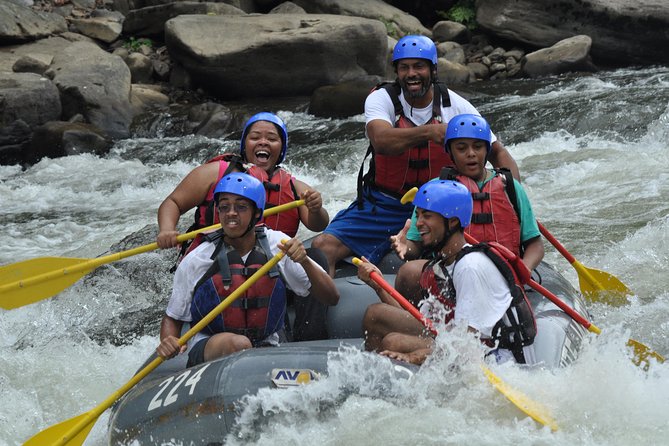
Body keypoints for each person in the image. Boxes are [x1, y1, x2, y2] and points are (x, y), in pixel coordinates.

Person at [312, 35, 519, 276]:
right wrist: (431, 132)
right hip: (383, 204)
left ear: (432, 70)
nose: (412, 73)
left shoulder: (456, 106)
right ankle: (318, 311)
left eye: (419, 66)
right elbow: (381, 140)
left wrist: (512, 198)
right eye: (404, 67)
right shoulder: (382, 99)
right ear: (397, 72)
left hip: (439, 209)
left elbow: (497, 151)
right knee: (322, 247)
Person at [156, 173, 339, 366]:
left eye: (241, 207)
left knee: (247, 346)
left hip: (267, 343)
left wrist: (305, 262)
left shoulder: (277, 244)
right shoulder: (198, 258)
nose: (231, 213)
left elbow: (331, 297)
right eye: (224, 207)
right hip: (211, 345)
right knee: (239, 344)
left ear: (257, 214)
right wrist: (168, 340)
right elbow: (172, 318)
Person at [356, 179, 536, 366]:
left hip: (502, 358)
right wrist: (379, 287)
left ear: (452, 222)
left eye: (427, 216)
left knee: (393, 342)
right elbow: (426, 323)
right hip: (467, 344)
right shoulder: (444, 264)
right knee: (376, 315)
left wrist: (415, 356)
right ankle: (376, 383)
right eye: (418, 215)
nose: (419, 223)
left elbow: (466, 347)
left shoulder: (470, 267)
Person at [392, 114, 544, 303]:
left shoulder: (510, 187)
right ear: (451, 152)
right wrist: (406, 247)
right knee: (408, 272)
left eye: (478, 147)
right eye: (461, 148)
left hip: (503, 274)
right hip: (451, 273)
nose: (471, 153)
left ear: (487, 150)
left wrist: (524, 269)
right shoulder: (435, 188)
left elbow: (535, 245)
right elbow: (415, 246)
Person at [157, 112, 329, 252]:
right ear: (245, 145)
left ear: (281, 148)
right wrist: (167, 229)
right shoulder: (214, 173)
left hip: (270, 266)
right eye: (255, 137)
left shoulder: (295, 187)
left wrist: (316, 209)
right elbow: (173, 203)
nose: (263, 142)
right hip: (213, 258)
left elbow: (318, 225)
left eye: (272, 138)